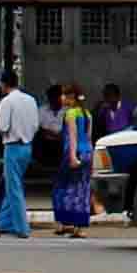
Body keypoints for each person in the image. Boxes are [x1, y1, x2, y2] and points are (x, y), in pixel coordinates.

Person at [0, 69, 38, 236]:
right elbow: (35, 125)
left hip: (13, 147)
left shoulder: (7, 102)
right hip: (27, 147)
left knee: (14, 189)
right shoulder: (31, 100)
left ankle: (22, 228)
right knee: (12, 186)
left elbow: (2, 126)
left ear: (4, 84)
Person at [51, 84, 96, 236]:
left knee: (62, 188)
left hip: (73, 153)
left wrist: (72, 157)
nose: (61, 97)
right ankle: (79, 226)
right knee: (82, 189)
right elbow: (89, 138)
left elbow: (72, 137)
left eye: (63, 95)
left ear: (71, 97)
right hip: (87, 153)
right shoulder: (88, 114)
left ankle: (64, 223)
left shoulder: (70, 113)